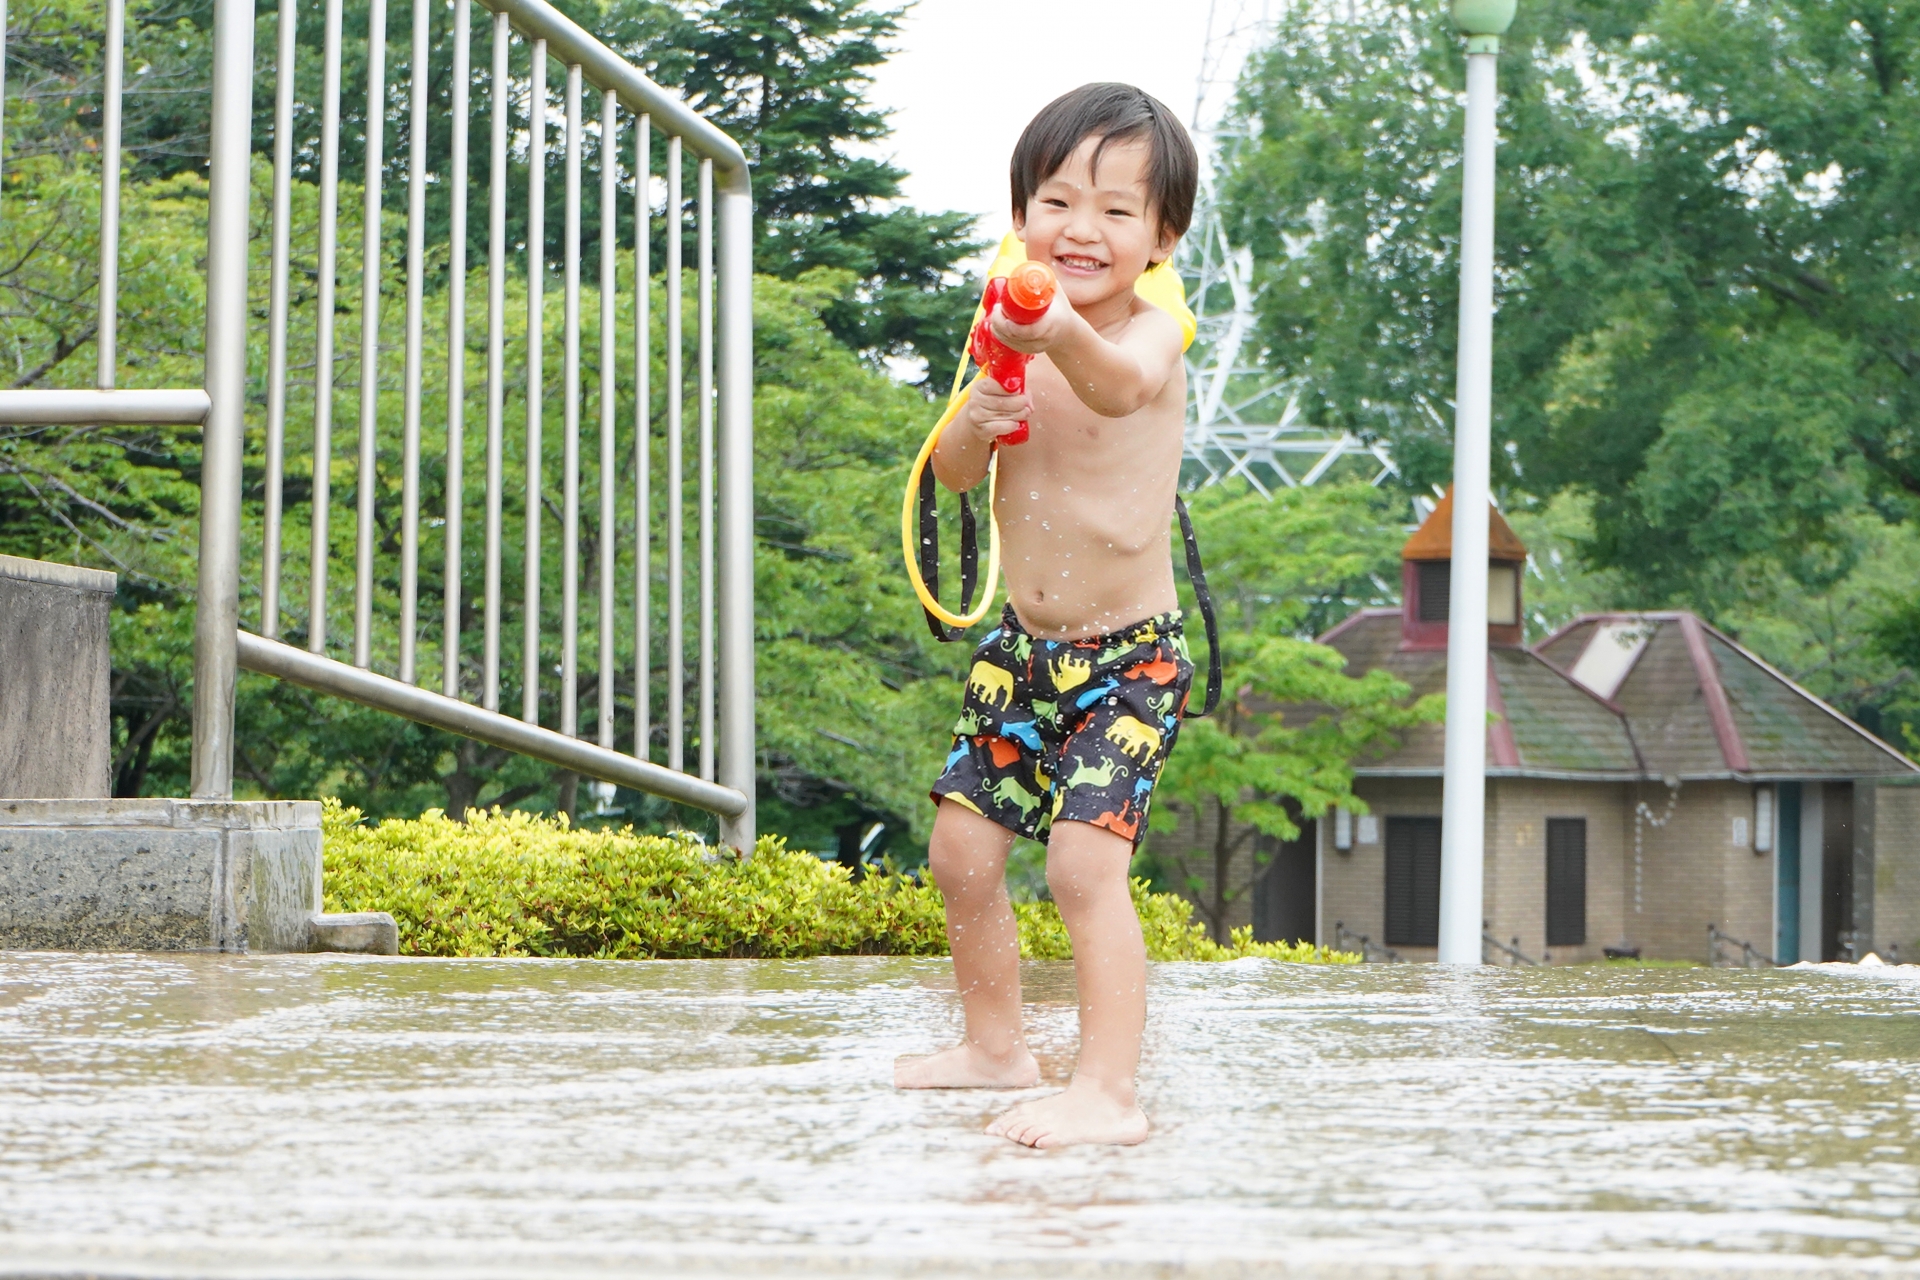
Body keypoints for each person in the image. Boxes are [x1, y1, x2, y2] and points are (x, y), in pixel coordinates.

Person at [893, 83, 1199, 1149]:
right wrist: (980, 412)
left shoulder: (1152, 337)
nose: (1082, 228)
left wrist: (1056, 327)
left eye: (1118, 210)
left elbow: (1114, 388)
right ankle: (995, 1044)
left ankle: (1108, 1090)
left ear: (1162, 235)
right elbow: (962, 472)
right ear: (1020, 212)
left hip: (1130, 661)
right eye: (1058, 200)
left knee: (1082, 865)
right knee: (960, 851)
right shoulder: (1002, 329)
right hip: (1020, 650)